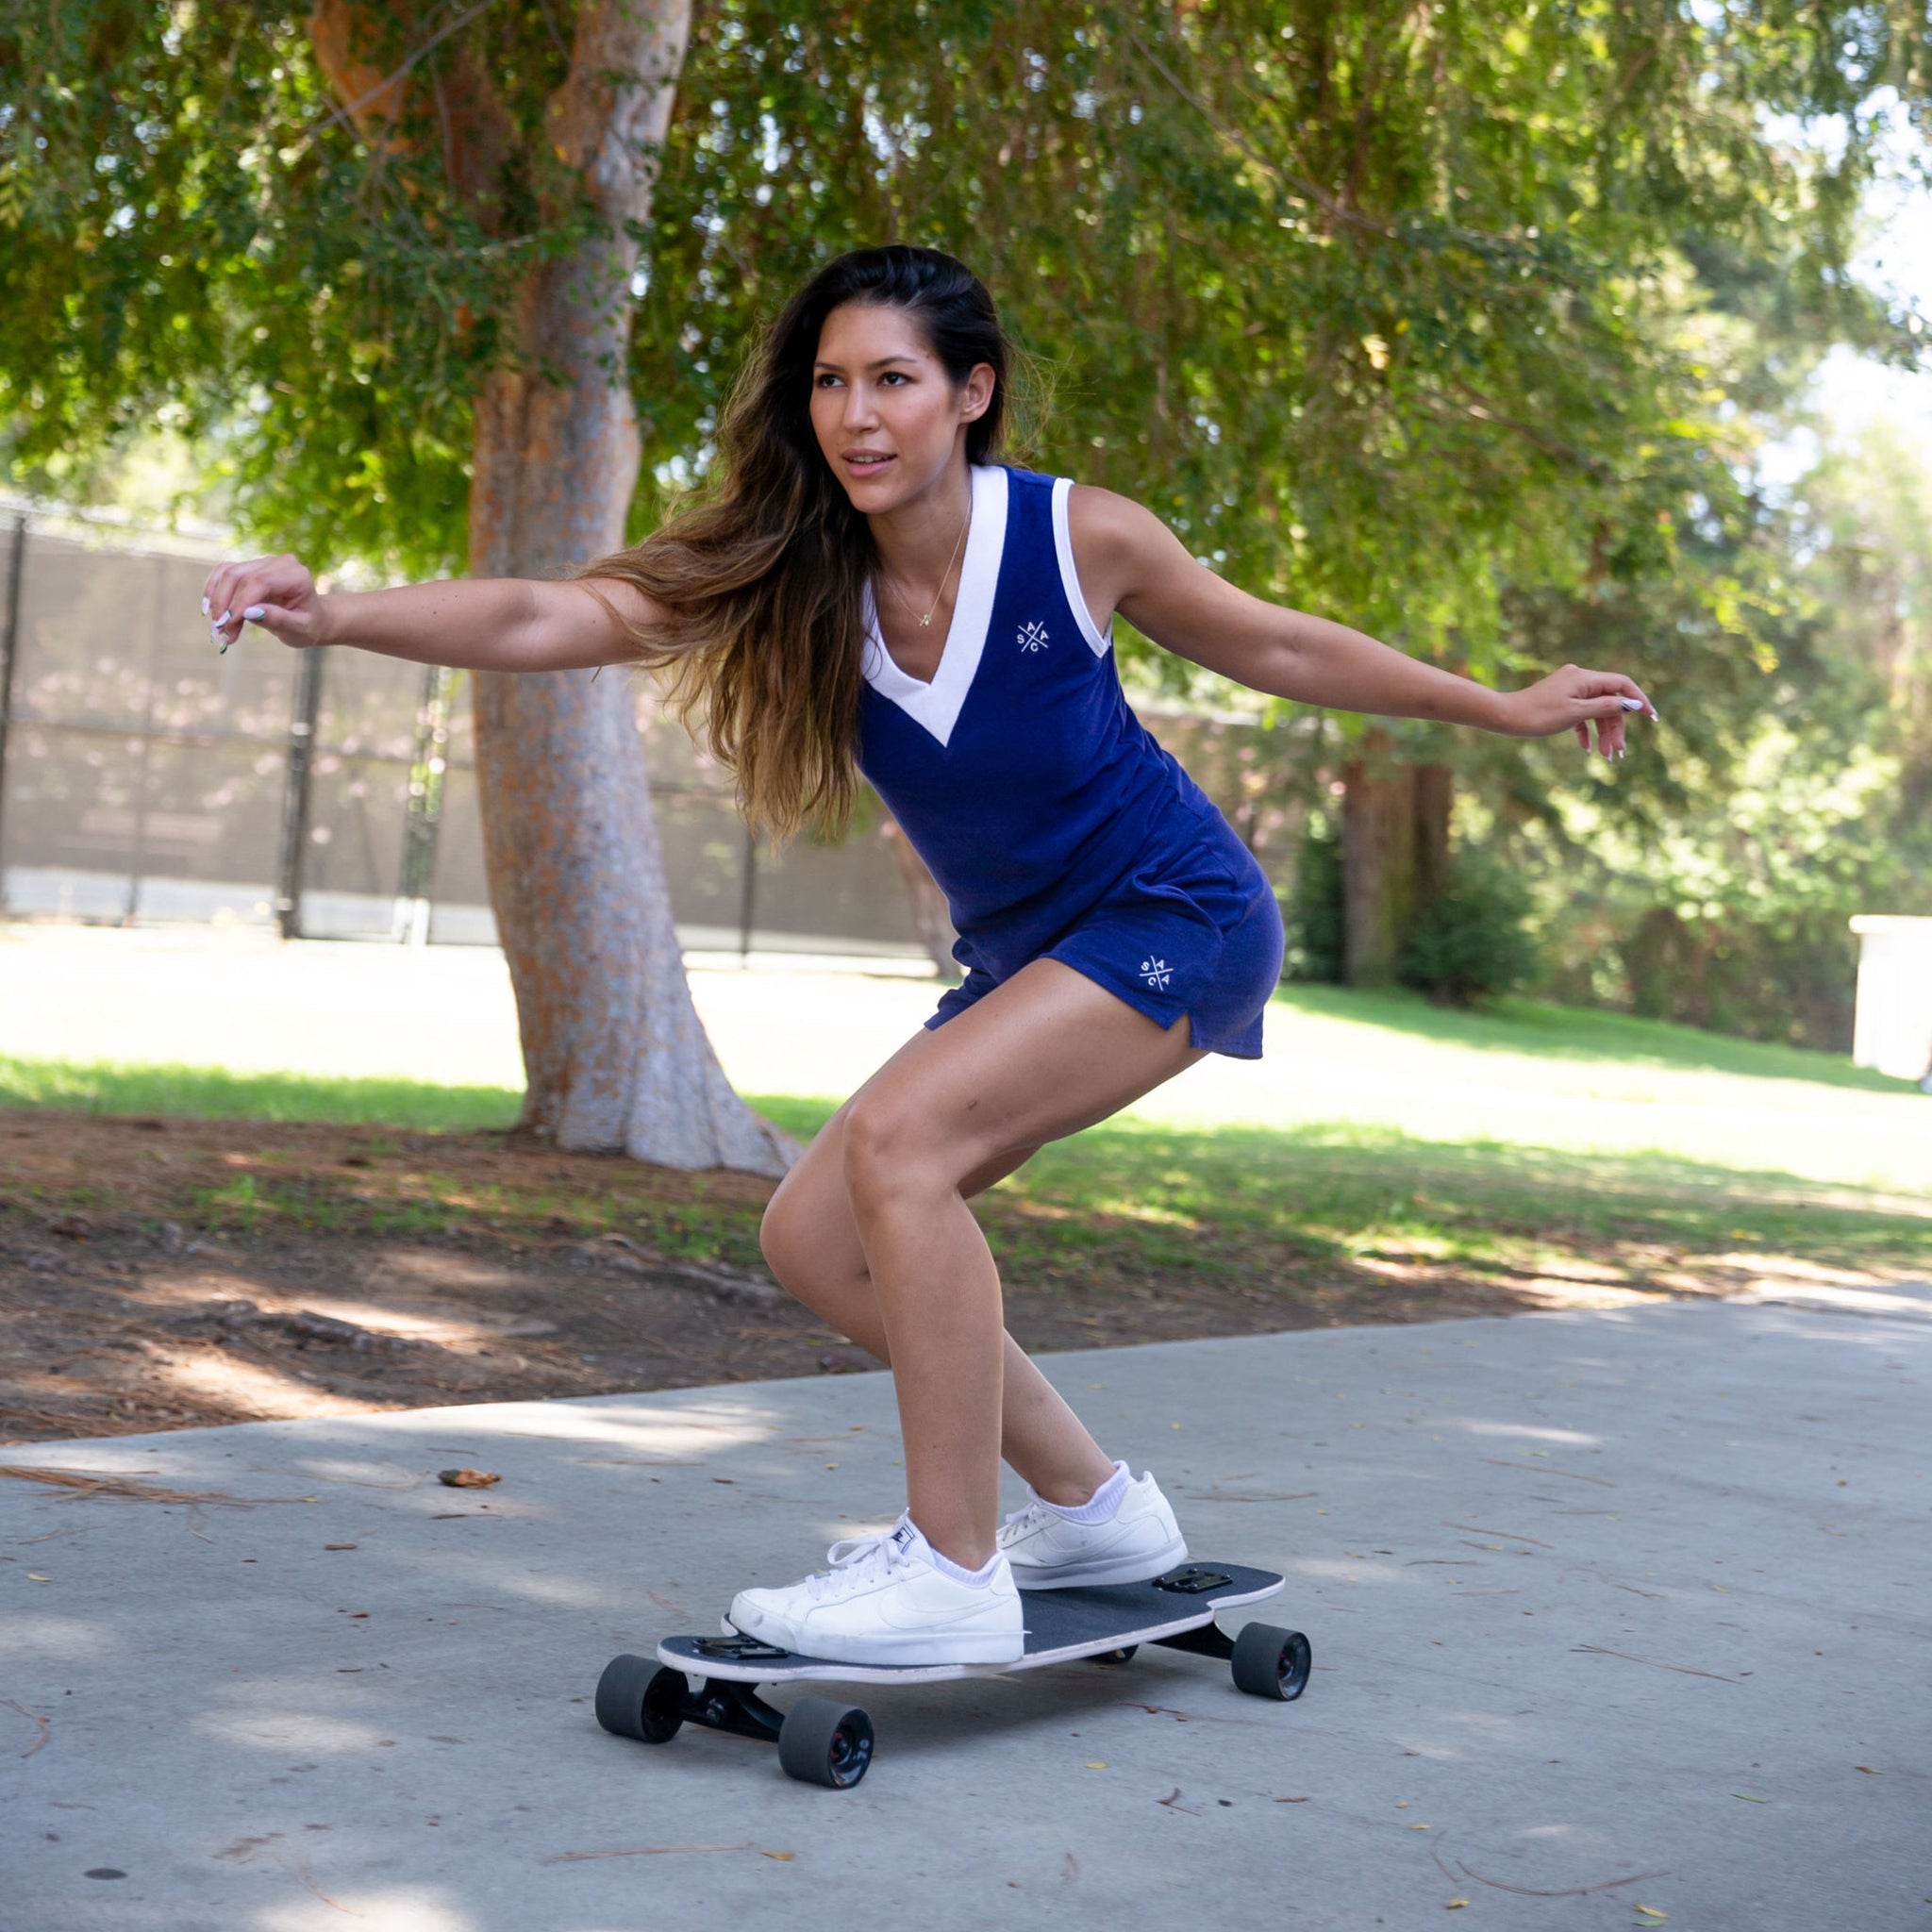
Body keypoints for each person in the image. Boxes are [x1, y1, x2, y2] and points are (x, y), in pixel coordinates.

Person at [201, 244, 1652, 1669]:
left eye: (894, 377)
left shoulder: (1079, 535)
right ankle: (1093, 1508)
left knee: (900, 1152)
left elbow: (1275, 647)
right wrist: (336, 615)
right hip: (1027, 953)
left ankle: (953, 1566)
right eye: (830, 381)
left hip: (1173, 912)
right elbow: (552, 611)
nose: (856, 414)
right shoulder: (789, 569)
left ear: (973, 392)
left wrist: (1498, 706)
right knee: (813, 1237)